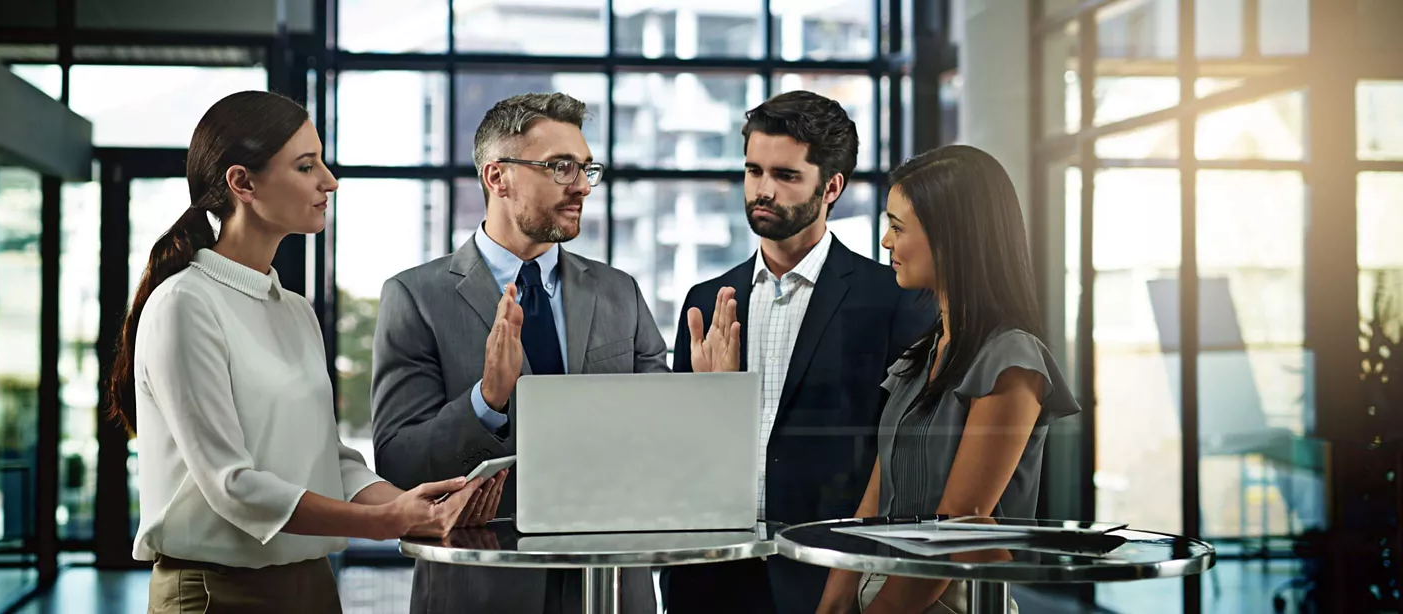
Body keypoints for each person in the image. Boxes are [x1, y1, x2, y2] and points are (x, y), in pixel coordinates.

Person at [103, 91, 505, 614]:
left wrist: (416, 504)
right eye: (305, 165)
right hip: (214, 594)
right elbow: (233, 485)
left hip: (311, 586)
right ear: (242, 183)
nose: (329, 181)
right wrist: (382, 523)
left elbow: (328, 458)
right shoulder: (184, 303)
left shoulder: (294, 309)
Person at [368, 92, 739, 614]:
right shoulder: (416, 297)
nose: (583, 186)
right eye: (561, 167)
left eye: (587, 168)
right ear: (498, 177)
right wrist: (486, 402)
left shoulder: (619, 292)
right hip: (482, 593)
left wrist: (704, 401)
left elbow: (665, 461)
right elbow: (399, 463)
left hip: (612, 588)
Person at [665, 91, 936, 614]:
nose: (762, 190)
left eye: (785, 176)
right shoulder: (705, 302)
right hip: (709, 576)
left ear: (830, 186)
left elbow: (900, 459)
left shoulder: (893, 300)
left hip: (827, 577)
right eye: (753, 171)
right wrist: (710, 400)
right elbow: (679, 458)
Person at [815, 145, 1082, 614]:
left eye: (898, 228)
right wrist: (833, 606)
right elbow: (873, 502)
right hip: (883, 589)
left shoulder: (1011, 359)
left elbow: (961, 528)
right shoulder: (921, 356)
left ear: (952, 240)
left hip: (945, 602)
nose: (885, 242)